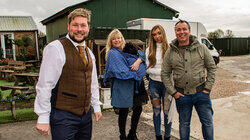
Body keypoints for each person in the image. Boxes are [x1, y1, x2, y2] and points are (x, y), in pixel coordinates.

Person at [34, 8, 102, 140]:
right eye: (75, 25)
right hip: (63, 116)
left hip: (85, 116)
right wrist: (43, 116)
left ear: (88, 27)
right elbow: (45, 84)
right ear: (68, 26)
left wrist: (96, 105)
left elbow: (92, 81)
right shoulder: (56, 48)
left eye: (83, 25)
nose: (79, 29)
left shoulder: (89, 52)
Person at [161, 20, 216, 140]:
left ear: (189, 31)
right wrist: (173, 93)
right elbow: (165, 73)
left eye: (184, 29)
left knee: (207, 123)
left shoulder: (202, 48)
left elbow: (212, 68)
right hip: (182, 96)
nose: (181, 32)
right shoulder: (170, 52)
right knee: (184, 124)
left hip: (202, 93)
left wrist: (207, 88)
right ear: (175, 32)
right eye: (178, 30)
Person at [104, 29, 147, 140]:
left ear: (122, 39)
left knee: (138, 109)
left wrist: (138, 61)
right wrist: (137, 72)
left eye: (118, 38)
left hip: (135, 86)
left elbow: (141, 53)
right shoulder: (113, 53)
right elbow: (123, 72)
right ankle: (122, 136)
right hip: (123, 86)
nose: (116, 40)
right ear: (111, 41)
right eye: (114, 39)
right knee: (123, 111)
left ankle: (132, 133)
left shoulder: (126, 49)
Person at [146, 25, 175, 140]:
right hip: (154, 85)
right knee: (156, 112)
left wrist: (159, 71)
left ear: (163, 33)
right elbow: (147, 69)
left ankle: (167, 137)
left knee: (167, 112)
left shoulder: (170, 49)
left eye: (159, 33)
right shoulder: (149, 50)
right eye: (154, 35)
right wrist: (163, 71)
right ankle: (158, 136)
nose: (157, 36)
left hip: (167, 85)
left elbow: (173, 68)